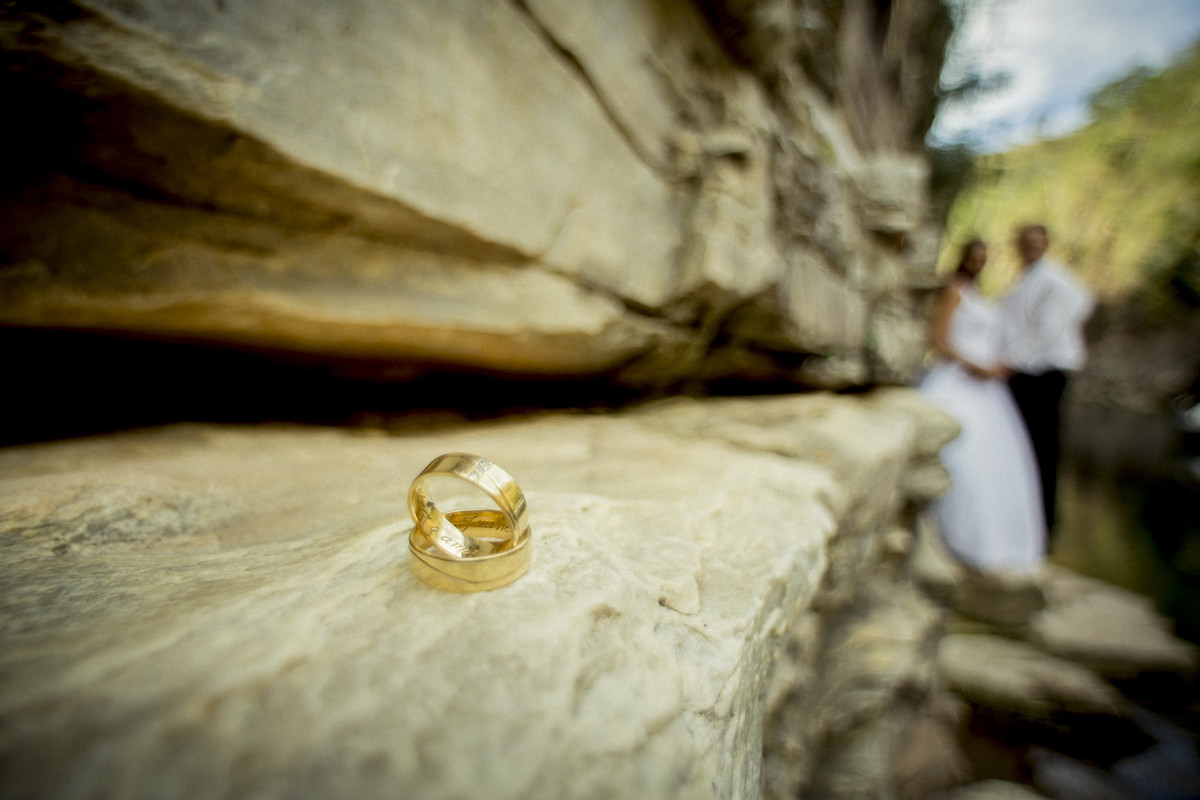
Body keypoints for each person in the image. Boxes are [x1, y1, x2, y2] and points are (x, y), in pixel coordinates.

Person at [919, 240, 1046, 572]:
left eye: (984, 258)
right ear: (964, 258)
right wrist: (974, 365)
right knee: (961, 453)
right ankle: (951, 538)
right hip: (958, 380)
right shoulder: (955, 290)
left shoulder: (983, 297)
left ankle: (992, 544)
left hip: (988, 389)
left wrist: (998, 364)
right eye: (975, 257)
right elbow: (941, 338)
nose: (980, 263)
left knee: (994, 462)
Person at [997, 224, 1094, 535]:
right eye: (1027, 242)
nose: (1032, 247)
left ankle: (1043, 521)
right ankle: (1026, 515)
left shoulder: (1055, 278)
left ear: (1047, 244)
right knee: (1025, 443)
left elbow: (1048, 328)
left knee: (1041, 445)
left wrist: (1010, 361)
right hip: (1029, 369)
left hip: (1042, 372)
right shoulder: (1029, 277)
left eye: (1038, 242)